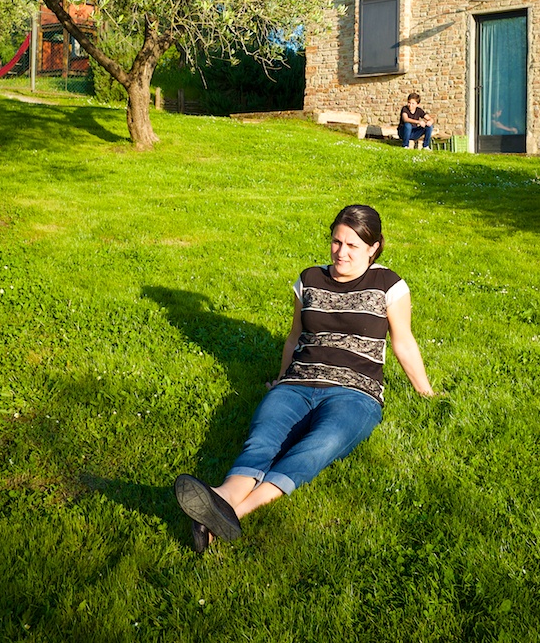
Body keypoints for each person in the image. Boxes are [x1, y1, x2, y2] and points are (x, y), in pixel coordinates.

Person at [174, 204, 434, 550]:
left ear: (374, 248)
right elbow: (295, 336)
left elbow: (403, 341)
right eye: (336, 242)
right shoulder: (309, 279)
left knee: (320, 444)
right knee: (263, 438)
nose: (341, 253)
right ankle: (222, 495)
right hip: (299, 382)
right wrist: (281, 378)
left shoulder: (389, 284)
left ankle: (235, 511)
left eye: (352, 246)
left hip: (356, 391)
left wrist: (426, 393)